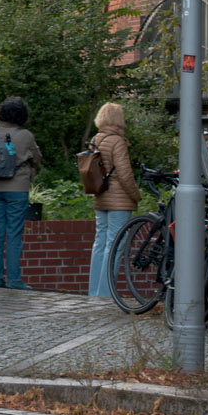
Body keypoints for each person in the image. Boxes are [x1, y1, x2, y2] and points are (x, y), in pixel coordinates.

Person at [0, 95, 44, 290]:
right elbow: (37, 157)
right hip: (17, 189)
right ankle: (14, 280)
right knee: (14, 234)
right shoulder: (25, 135)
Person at [86, 101, 138, 300]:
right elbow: (125, 174)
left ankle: (94, 292)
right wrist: (136, 195)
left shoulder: (95, 139)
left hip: (100, 197)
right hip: (119, 200)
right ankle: (107, 293)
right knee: (115, 245)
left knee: (99, 243)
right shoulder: (117, 141)